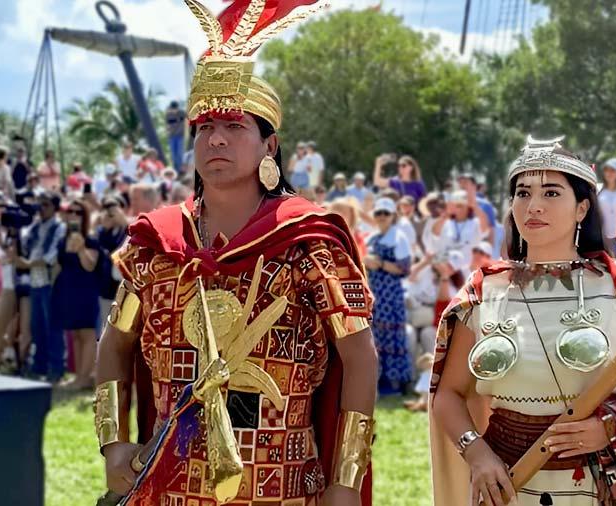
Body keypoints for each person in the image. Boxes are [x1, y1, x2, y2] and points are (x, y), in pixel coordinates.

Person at [94, 3, 378, 504]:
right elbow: (114, 345)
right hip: (169, 479)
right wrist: (114, 442)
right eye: (204, 128)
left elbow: (360, 360)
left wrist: (345, 481)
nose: (216, 139)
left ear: (270, 145)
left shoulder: (307, 241)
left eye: (234, 127)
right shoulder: (158, 243)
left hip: (283, 482)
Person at [430, 137, 616, 506]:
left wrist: (611, 427)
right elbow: (449, 395)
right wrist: (476, 452)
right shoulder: (484, 290)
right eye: (522, 193)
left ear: (582, 208)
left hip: (601, 488)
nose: (533, 206)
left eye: (551, 193)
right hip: (506, 485)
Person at [16, 191, 66, 382]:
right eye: (39, 205)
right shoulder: (34, 227)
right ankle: (40, 366)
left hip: (50, 281)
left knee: (52, 327)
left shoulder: (59, 227)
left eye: (45, 205)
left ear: (55, 207)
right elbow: (23, 244)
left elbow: (51, 256)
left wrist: (27, 263)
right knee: (37, 327)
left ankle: (56, 368)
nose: (41, 209)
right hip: (35, 281)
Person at [365, 197, 412, 396]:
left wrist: (381, 264)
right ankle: (381, 380)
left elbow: (405, 268)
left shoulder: (398, 237)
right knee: (377, 337)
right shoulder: (372, 238)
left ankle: (395, 383)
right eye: (378, 213)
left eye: (386, 214)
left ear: (392, 216)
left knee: (392, 336)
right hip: (376, 293)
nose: (382, 217)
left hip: (391, 294)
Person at [53, 200, 99, 390]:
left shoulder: (91, 238)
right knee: (75, 335)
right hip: (68, 290)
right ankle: (78, 376)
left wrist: (80, 248)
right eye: (70, 211)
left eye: (78, 212)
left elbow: (90, 265)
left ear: (85, 216)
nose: (73, 215)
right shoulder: (63, 240)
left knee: (87, 334)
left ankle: (84, 377)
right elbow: (59, 265)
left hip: (86, 290)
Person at [96, 196, 129, 332]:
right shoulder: (104, 232)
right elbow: (100, 247)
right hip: (106, 286)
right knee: (105, 326)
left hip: (122, 286)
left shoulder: (127, 230)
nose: (111, 215)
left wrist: (124, 223)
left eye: (114, 211)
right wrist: (101, 225)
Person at [429, 190, 489, 262]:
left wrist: (475, 206)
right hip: (448, 265)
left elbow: (485, 226)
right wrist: (446, 215)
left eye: (461, 205)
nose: (458, 209)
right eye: (456, 206)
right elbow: (435, 232)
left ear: (468, 207)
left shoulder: (475, 222)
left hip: (467, 266)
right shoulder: (446, 222)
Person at [165, 101, 187, 169]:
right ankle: (176, 169)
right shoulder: (168, 115)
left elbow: (189, 117)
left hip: (180, 136)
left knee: (179, 154)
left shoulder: (182, 113)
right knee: (173, 155)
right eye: (173, 109)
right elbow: (167, 125)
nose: (174, 110)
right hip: (171, 137)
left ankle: (181, 169)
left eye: (175, 109)